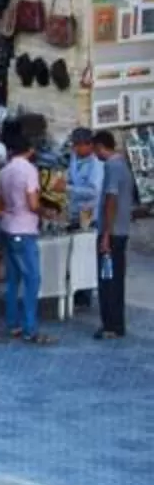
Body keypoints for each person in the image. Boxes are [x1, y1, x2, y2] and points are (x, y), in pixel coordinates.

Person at [0, 126, 48, 344]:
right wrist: (46, 213)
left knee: (12, 279)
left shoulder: (3, 171)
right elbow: (32, 203)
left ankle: (12, 323)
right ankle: (30, 328)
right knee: (32, 279)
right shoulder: (29, 171)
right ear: (30, 150)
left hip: (7, 226)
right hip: (24, 228)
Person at [92, 127, 133, 340]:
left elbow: (111, 199)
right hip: (120, 231)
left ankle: (111, 324)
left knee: (108, 280)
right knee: (115, 278)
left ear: (100, 147)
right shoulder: (123, 164)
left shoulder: (112, 166)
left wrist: (106, 234)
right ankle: (115, 323)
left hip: (112, 234)